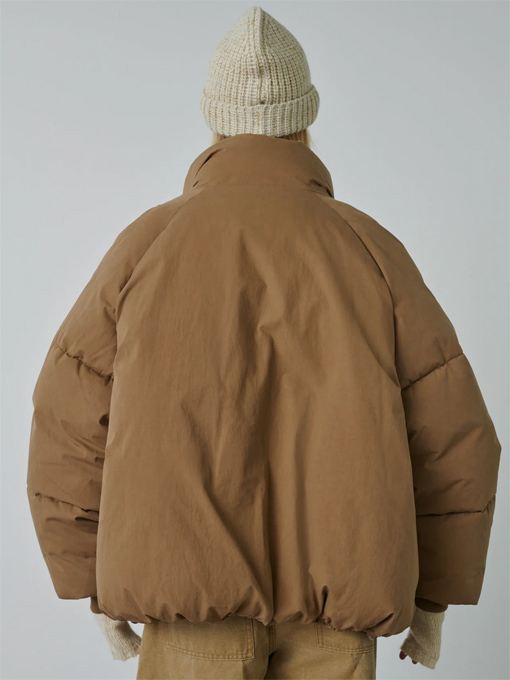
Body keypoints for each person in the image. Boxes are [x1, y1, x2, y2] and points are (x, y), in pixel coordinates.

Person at [26, 6, 502, 680]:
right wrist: (434, 598)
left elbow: (68, 420)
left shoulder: (146, 246)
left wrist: (86, 576)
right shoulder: (370, 249)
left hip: (189, 612)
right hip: (338, 622)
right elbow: (454, 434)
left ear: (214, 121)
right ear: (305, 120)